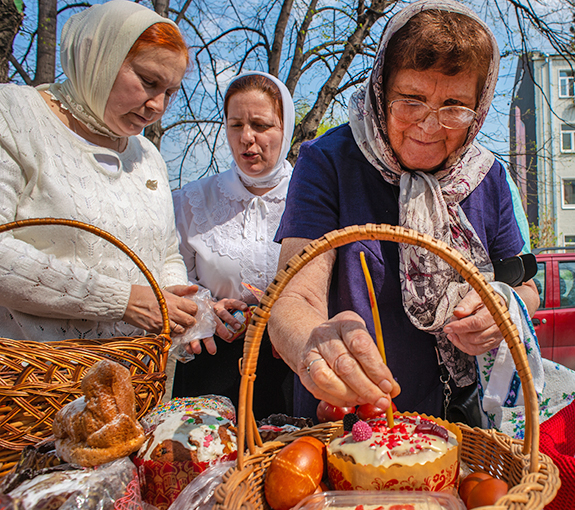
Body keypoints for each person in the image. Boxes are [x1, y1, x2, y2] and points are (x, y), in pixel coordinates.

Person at [270, 0, 540, 421]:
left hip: (463, 420)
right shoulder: (330, 161)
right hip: (351, 416)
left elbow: (525, 288)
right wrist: (315, 344)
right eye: (411, 100)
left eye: (454, 107)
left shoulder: (486, 177)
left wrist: (502, 307)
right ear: (382, 89)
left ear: (479, 108)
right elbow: (294, 296)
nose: (429, 127)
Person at [0, 0, 209, 342]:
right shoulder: (15, 115)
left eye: (170, 92)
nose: (157, 105)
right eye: (148, 81)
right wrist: (123, 301)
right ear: (100, 58)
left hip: (133, 378)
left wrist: (175, 296)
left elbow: (166, 250)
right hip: (33, 380)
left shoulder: (147, 155)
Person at [171, 72, 295, 418]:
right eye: (235, 124)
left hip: (290, 365)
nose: (246, 138)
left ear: (286, 128)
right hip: (210, 362)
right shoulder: (193, 200)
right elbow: (171, 274)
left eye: (260, 124)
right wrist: (205, 311)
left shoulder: (311, 196)